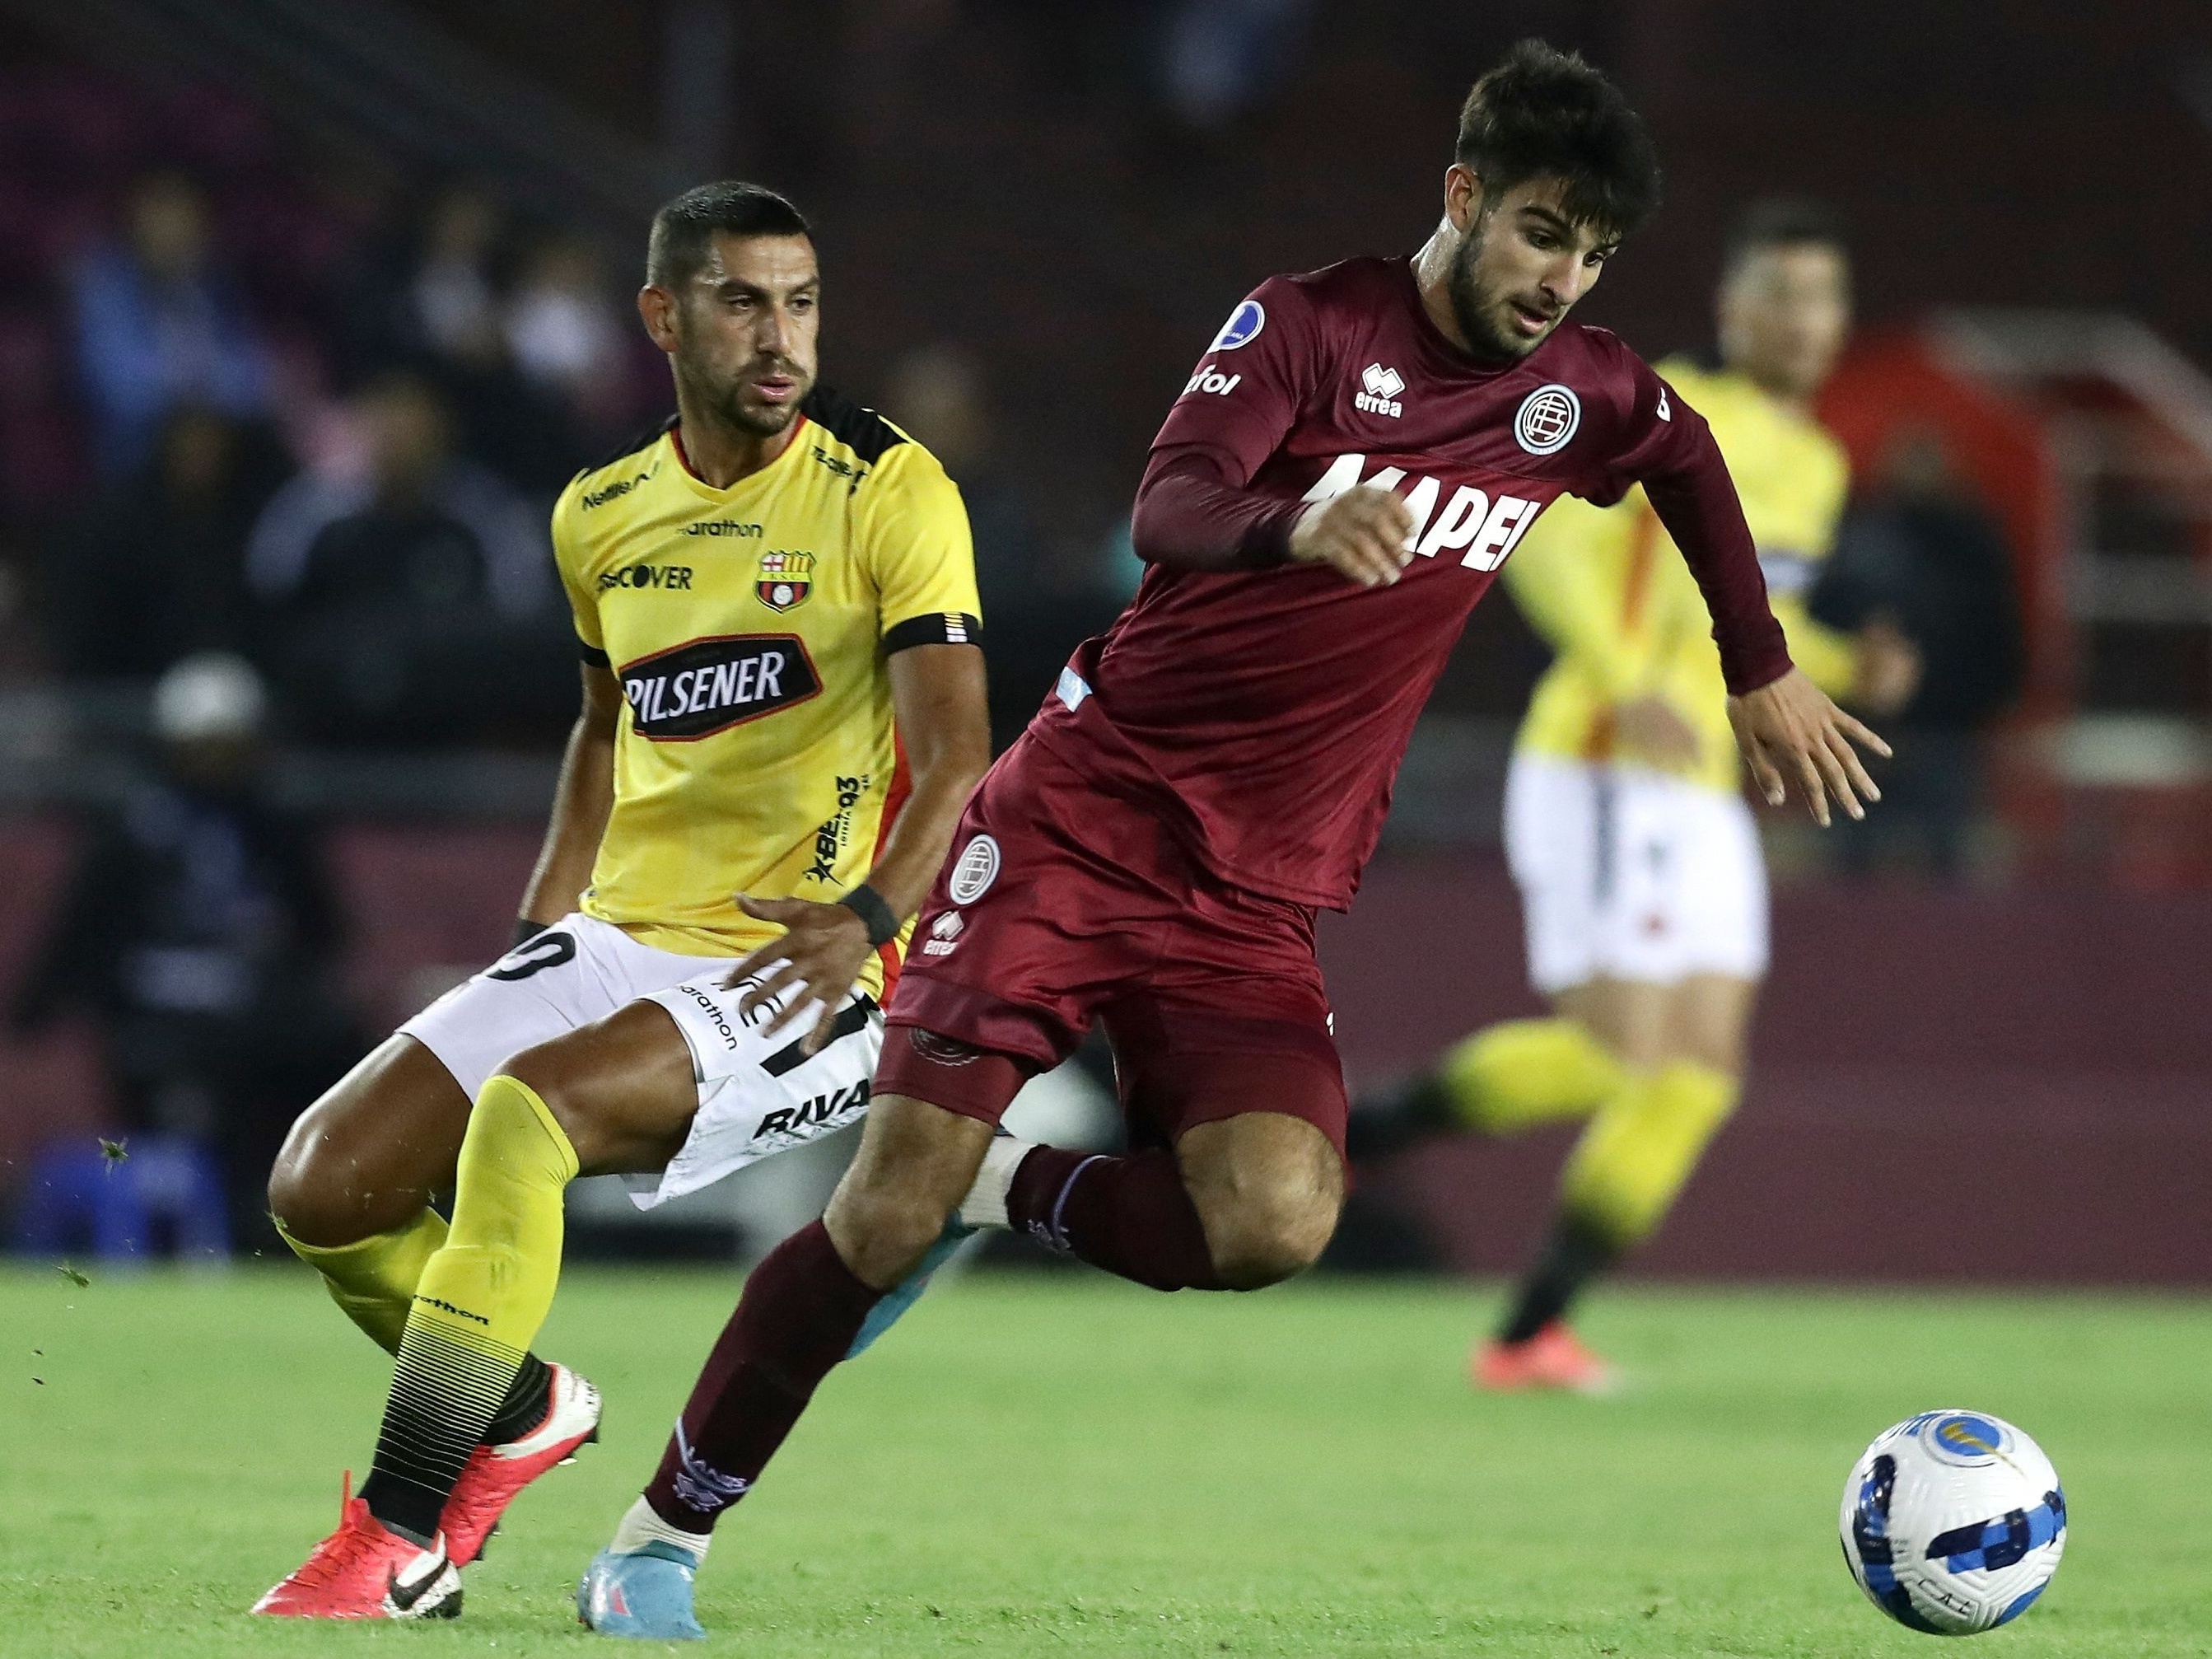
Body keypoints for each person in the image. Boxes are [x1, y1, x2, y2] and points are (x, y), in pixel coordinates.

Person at [574, 44, 1888, 1641]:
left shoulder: (1579, 393)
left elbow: (1682, 453)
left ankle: (1007, 1189)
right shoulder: (1312, 324)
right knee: (874, 1212)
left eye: (1595, 252)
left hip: (1257, 892)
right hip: (1081, 818)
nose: (1562, 279)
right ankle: (654, 1542)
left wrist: (1755, 665)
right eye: (1542, 230)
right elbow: (1171, 499)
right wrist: (1295, 519)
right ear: (1461, 196)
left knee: (1270, 1217)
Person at [253, 180, 991, 1619]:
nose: (779, 337)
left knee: (524, 1120)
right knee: (323, 1184)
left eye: (801, 301)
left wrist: (872, 920)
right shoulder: (600, 513)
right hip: (617, 932)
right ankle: (520, 1403)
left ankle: (402, 1527)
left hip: (807, 963)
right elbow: (604, 728)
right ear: (662, 315)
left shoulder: (884, 482)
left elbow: (961, 751)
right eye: (740, 301)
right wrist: (546, 918)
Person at [1345, 199, 1919, 1392]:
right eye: (1784, 295)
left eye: (1826, 300)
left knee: (1698, 1071)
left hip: (1700, 785)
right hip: (1607, 758)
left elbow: (1756, 616)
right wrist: (1622, 678)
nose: (1807, 322)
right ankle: (1349, 1140)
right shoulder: (1652, 407)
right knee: (1617, 1052)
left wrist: (1850, 668)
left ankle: (1526, 1332)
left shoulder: (1810, 460)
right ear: (1734, 306)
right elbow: (1542, 537)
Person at [9, 653, 362, 1249]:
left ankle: (324, 1211)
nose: (215, 764)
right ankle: (216, 1227)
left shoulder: (276, 830)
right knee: (197, 1103)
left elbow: (322, 931)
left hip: (257, 1017)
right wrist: (37, 1006)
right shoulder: (131, 832)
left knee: (340, 1055)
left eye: (229, 747)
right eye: (203, 746)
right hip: (157, 1023)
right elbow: (84, 929)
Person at [1816, 425, 2024, 879]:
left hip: (1947, 731)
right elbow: (1820, 612)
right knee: (1850, 866)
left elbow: (1996, 631)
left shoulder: (1973, 541)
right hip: (1862, 723)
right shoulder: (1857, 531)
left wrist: (1984, 707)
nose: (1917, 473)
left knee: (1946, 866)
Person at [70, 174, 273, 477]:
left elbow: (254, 383)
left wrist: (195, 390)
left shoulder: (215, 285)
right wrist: (202, 385)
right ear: (136, 221)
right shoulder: (103, 284)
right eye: (162, 218)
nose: (174, 232)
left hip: (220, 454)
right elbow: (121, 388)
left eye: (185, 219)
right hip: (134, 462)